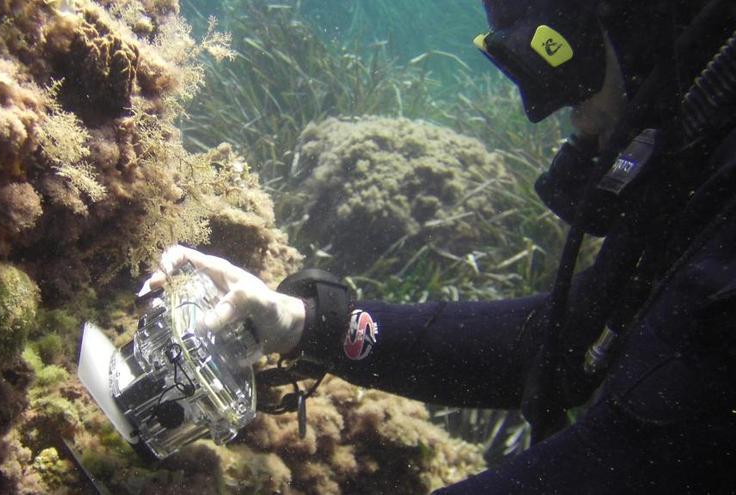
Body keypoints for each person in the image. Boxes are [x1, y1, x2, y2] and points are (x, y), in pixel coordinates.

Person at [148, 0, 736, 492]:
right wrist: (305, 322)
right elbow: (560, 336)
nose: (554, 111)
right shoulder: (700, 153)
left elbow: (648, 456)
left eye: (556, 58)